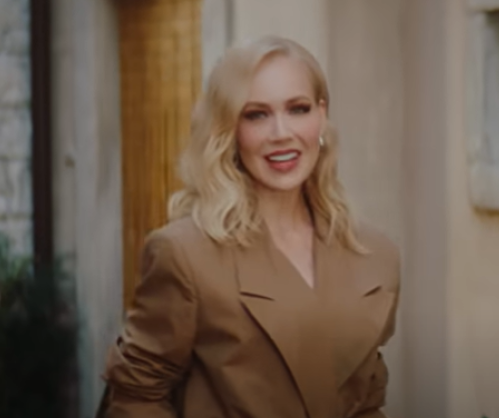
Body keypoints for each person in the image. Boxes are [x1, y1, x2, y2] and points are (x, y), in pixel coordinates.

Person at [98, 35, 401, 418]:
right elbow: (135, 396)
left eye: (298, 109)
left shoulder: (375, 254)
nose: (281, 133)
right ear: (229, 128)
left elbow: (366, 400)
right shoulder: (184, 254)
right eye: (256, 115)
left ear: (321, 115)